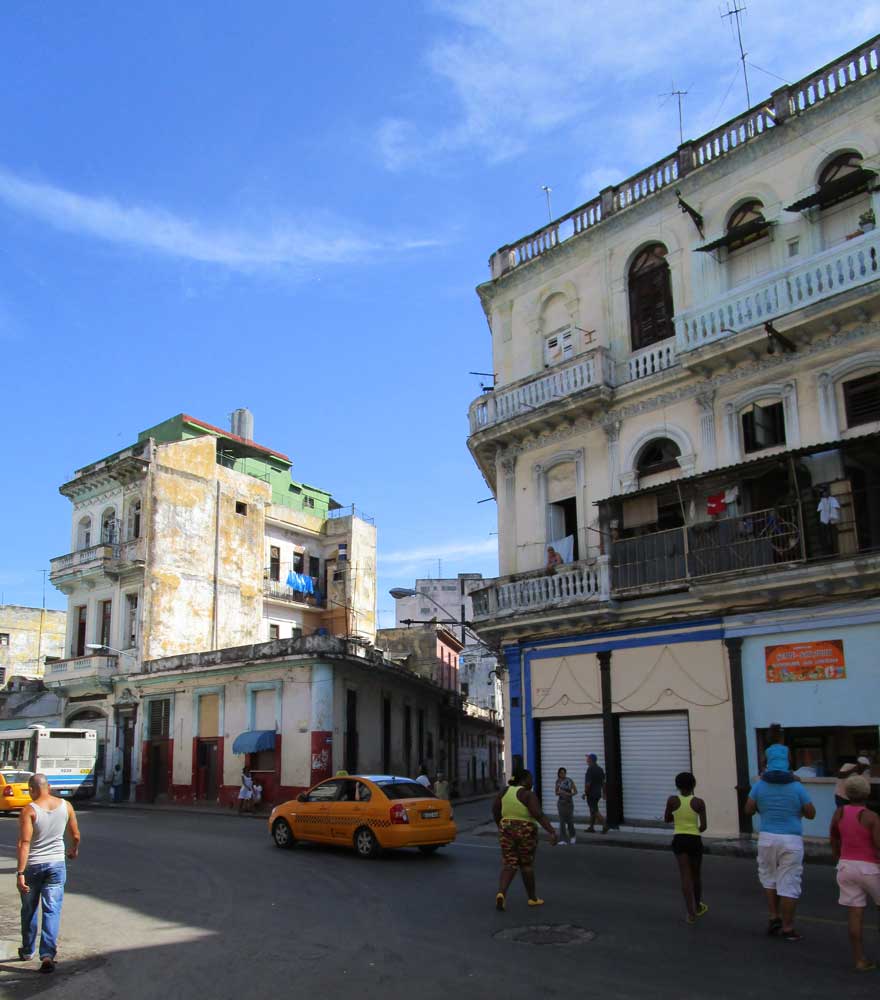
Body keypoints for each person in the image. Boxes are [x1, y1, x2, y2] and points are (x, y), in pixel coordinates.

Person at [16, 773, 81, 974]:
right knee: (52, 909)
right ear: (49, 787)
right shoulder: (66, 806)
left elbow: (25, 843)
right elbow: (76, 835)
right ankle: (47, 955)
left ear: (32, 790)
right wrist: (73, 849)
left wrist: (20, 872)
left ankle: (28, 950)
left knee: (29, 909)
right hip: (56, 865)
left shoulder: (30, 810)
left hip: (33, 866)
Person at [745, 761, 816, 941]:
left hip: (767, 837)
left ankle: (773, 917)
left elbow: (748, 809)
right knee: (789, 883)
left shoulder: (760, 785)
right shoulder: (796, 786)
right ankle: (787, 927)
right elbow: (811, 813)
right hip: (791, 839)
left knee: (769, 878)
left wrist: (764, 807)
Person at [830, 774, 880, 972]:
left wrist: (838, 859)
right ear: (867, 793)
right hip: (869, 868)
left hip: (845, 866)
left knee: (855, 913)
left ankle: (859, 959)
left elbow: (833, 838)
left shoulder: (839, 813)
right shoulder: (871, 817)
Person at [492, 771, 557, 910]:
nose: (532, 783)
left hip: (506, 828)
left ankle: (501, 893)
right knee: (526, 865)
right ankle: (532, 898)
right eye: (530, 780)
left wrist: (501, 825)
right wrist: (551, 831)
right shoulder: (527, 794)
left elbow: (495, 810)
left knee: (509, 863)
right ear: (523, 781)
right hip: (526, 830)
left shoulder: (504, 792)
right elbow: (538, 814)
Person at [664, 772, 708, 924]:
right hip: (694, 839)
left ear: (677, 785)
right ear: (693, 784)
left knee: (685, 876)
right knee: (696, 875)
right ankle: (698, 905)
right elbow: (703, 826)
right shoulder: (698, 802)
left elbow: (667, 819)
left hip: (679, 839)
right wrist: (693, 829)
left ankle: (690, 914)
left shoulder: (672, 800)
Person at [583, 753, 608, 833]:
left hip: (591, 793)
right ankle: (591, 827)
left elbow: (588, 784)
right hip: (598, 793)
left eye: (588, 758)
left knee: (594, 810)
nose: (586, 760)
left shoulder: (590, 769)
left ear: (591, 760)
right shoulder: (600, 769)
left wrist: (585, 793)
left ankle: (605, 824)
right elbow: (603, 783)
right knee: (592, 810)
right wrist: (604, 793)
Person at [554, 767, 577, 845]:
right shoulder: (558, 781)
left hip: (569, 803)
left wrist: (568, 794)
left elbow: (575, 791)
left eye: (564, 773)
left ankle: (572, 836)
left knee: (570, 820)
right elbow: (556, 792)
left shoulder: (569, 780)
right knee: (562, 821)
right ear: (559, 774)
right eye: (561, 773)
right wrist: (560, 792)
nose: (562, 774)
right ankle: (562, 839)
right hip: (561, 803)